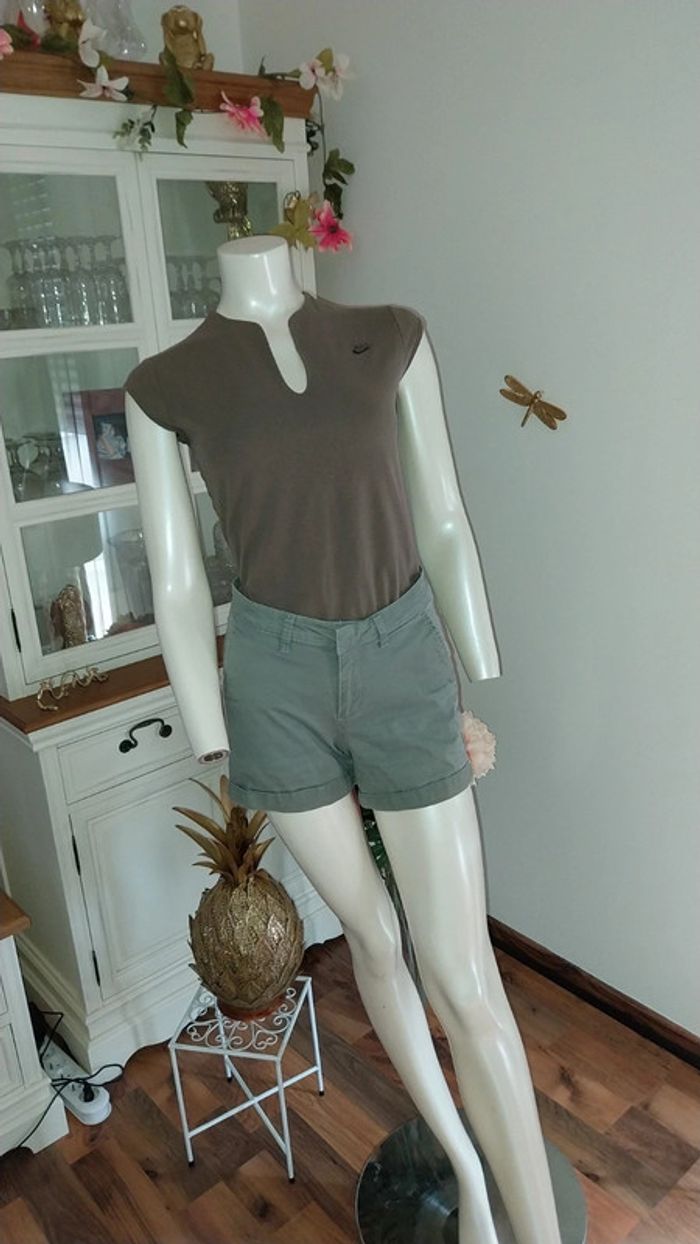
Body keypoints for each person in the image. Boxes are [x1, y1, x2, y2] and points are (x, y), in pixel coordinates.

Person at [125, 236, 562, 1244]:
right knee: (371, 935)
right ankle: (469, 1175)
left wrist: (475, 657)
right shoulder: (165, 385)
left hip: (401, 651)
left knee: (463, 973)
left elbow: (441, 518)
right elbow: (178, 580)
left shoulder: (391, 336)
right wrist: (207, 727)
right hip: (272, 676)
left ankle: (536, 1228)